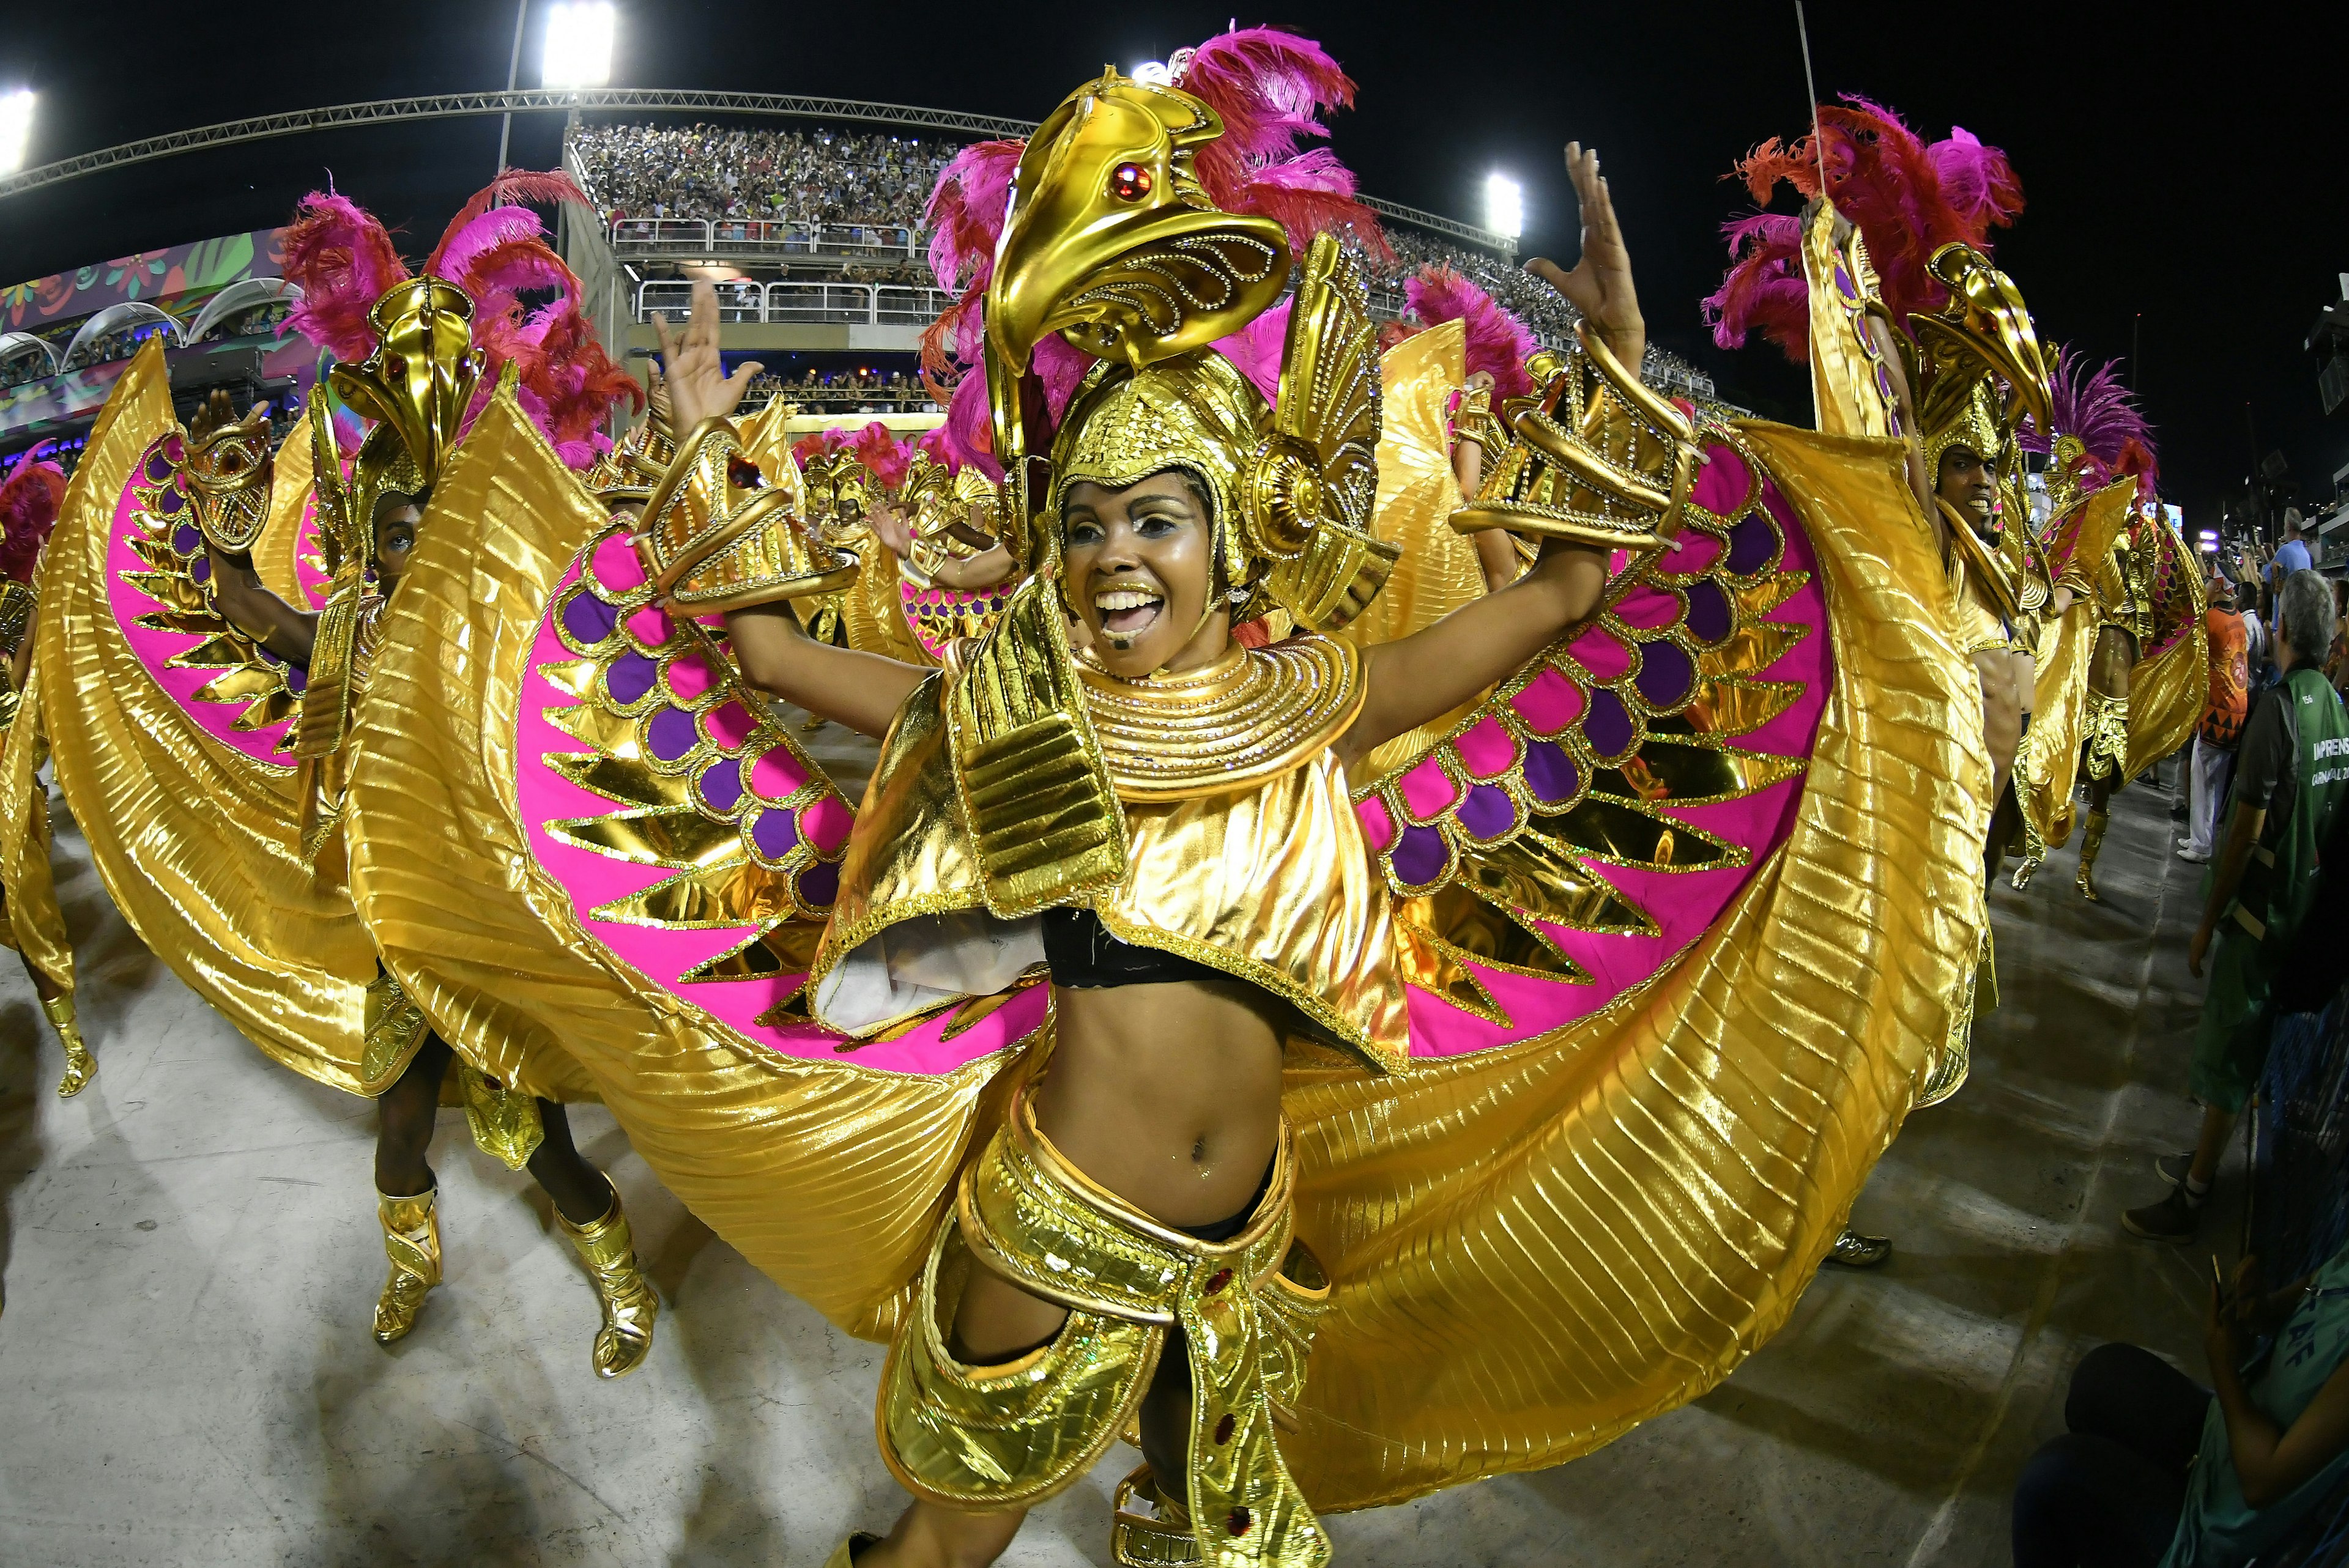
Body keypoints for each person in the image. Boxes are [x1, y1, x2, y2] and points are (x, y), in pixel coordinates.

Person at [2124, 570, 2349, 1241]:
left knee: (2226, 1062)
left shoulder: (2278, 713)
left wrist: (2206, 922)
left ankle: (2192, 1194)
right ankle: (2199, 1161)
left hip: (2259, 924)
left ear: (2278, 627)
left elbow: (2245, 835)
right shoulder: (2337, 710)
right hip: (2307, 916)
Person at [2011, 1244, 2349, 1567]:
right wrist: (2255, 1309)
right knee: (2102, 1376)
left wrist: (2222, 1365)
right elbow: (2290, 1307)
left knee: (2050, 1476)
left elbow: (2261, 1483)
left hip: (2216, 1526)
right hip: (2221, 1443)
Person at [2179, 582, 2252, 863]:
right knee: (2215, 781)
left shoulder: (2212, 619)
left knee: (2202, 776)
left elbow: (2189, 644)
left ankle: (2200, 844)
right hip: (2237, 706)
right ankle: (2203, 837)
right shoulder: (2237, 618)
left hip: (2218, 710)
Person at [2270, 512, 2312, 588]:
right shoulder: (2306, 554)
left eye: (2284, 524)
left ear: (2289, 526)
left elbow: (2268, 576)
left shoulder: (2285, 550)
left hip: (2287, 599)